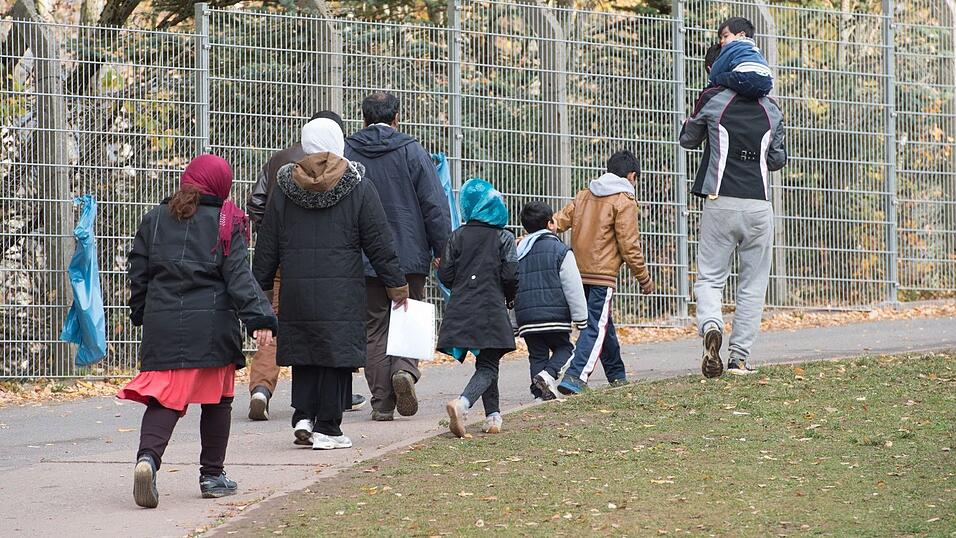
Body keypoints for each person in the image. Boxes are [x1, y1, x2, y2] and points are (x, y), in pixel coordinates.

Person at [119, 154, 278, 509]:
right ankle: (212, 476)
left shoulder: (154, 218)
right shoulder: (226, 221)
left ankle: (147, 460)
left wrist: (143, 314)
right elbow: (238, 276)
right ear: (222, 186)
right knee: (217, 401)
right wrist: (260, 319)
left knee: (165, 400)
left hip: (163, 326)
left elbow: (138, 274)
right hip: (211, 328)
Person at [253, 118, 407, 450]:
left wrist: (261, 287)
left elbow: (268, 243)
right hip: (341, 288)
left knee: (305, 350)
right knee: (336, 355)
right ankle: (328, 427)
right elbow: (379, 242)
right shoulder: (358, 186)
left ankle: (304, 416)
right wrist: (396, 286)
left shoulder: (285, 188)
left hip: (297, 285)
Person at [245, 111, 367, 421]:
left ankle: (261, 387)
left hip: (278, 254)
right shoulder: (345, 170)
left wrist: (273, 232)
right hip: (324, 259)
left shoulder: (280, 162)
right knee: (326, 321)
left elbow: (257, 202)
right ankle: (332, 397)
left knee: (270, 321)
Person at [680, 40, 787, 378]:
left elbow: (688, 139)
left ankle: (712, 325)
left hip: (720, 201)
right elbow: (777, 160)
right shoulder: (772, 108)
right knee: (753, 285)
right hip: (759, 206)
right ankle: (739, 359)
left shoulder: (714, 98)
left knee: (711, 278)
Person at [345, 92, 451, 421]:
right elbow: (433, 204)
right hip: (408, 254)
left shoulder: (348, 151)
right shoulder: (411, 151)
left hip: (363, 257)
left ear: (363, 118)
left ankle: (382, 402)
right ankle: (404, 370)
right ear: (396, 118)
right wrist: (441, 249)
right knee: (407, 317)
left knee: (374, 327)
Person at [553, 150, 655, 395]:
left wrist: (531, 235)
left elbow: (557, 221)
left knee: (602, 323)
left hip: (577, 273)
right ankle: (576, 375)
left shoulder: (584, 195)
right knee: (595, 326)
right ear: (632, 175)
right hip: (602, 274)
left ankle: (616, 375)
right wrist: (644, 278)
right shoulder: (624, 201)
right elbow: (629, 245)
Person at [439, 178, 517, 438]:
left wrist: (462, 284)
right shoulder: (504, 237)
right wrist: (509, 297)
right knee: (489, 365)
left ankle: (493, 416)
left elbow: (445, 274)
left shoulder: (457, 235)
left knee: (487, 360)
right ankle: (462, 404)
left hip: (462, 307)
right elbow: (511, 273)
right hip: (491, 306)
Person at [513, 201, 587, 401]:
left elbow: (512, 287)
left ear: (525, 228)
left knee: (537, 355)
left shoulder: (518, 253)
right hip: (555, 316)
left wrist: (514, 321)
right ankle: (548, 375)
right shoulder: (561, 251)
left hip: (527, 317)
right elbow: (572, 285)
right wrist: (581, 318)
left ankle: (539, 397)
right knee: (566, 348)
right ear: (550, 224)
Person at [708, 17, 774, 99]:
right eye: (721, 38)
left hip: (746, 77)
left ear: (742, 35)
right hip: (767, 82)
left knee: (721, 77)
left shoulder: (732, 46)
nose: (722, 41)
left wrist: (712, 80)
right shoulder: (755, 49)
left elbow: (719, 66)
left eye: (725, 36)